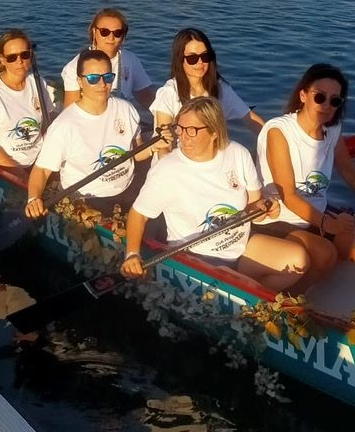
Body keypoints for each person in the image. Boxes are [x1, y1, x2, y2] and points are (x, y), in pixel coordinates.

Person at [257, 63, 355, 323]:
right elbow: (288, 194)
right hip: (277, 221)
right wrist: (329, 224)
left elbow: (350, 171)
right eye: (319, 97)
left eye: (334, 101)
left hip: (316, 221)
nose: (326, 106)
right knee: (325, 253)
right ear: (303, 95)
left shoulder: (332, 131)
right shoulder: (280, 131)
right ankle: (278, 310)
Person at [121, 97, 308, 293]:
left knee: (298, 262)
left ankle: (253, 298)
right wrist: (132, 254)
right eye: (180, 128)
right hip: (195, 254)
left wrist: (266, 209)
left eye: (192, 130)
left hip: (240, 245)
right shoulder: (167, 170)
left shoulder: (238, 154)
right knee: (246, 286)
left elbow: (255, 207)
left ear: (214, 132)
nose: (183, 137)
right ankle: (250, 296)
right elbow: (138, 214)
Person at [27, 49, 163, 217]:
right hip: (87, 200)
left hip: (128, 189)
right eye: (93, 79)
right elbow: (41, 171)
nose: (102, 84)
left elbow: (135, 153)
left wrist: (155, 146)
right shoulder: (64, 126)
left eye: (108, 77)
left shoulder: (126, 109)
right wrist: (33, 199)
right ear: (80, 82)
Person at [150, 29, 265, 151]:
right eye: (192, 58)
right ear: (180, 60)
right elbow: (164, 143)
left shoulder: (220, 88)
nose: (200, 62)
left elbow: (250, 118)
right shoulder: (170, 92)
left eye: (205, 56)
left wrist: (271, 138)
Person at [0, 30, 58, 174]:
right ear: (2, 59)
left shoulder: (38, 82)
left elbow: (47, 121)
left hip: (38, 161)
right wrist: (21, 175)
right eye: (12, 57)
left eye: (25, 55)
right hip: (5, 166)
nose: (19, 61)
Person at [61, 9, 156, 110]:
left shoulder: (130, 60)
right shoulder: (75, 66)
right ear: (94, 32)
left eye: (117, 33)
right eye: (104, 32)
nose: (111, 37)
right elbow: (70, 110)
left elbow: (145, 95)